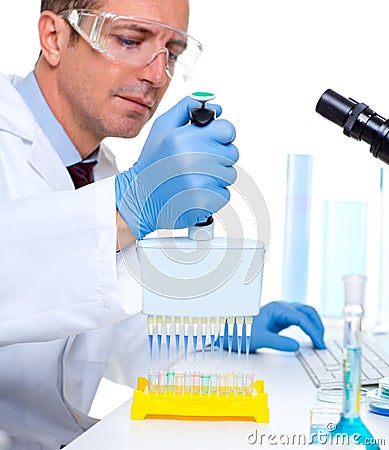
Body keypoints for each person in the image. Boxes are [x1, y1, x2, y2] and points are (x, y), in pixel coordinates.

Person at [0, 0, 325, 448]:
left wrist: (222, 330)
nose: (157, 75)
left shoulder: (100, 173)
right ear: (54, 37)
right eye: (131, 40)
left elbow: (114, 339)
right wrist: (123, 211)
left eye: (171, 52)